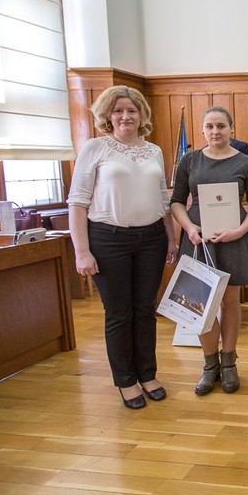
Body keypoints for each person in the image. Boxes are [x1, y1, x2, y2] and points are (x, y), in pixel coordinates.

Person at [67, 86, 177, 409]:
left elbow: (163, 200)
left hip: (152, 240)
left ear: (141, 114)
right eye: (118, 111)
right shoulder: (95, 148)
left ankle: (148, 374)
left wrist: (171, 239)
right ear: (108, 115)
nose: (126, 116)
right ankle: (126, 381)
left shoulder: (153, 150)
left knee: (145, 310)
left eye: (132, 110)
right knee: (119, 312)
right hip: (107, 241)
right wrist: (81, 251)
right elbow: (77, 202)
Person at [170, 106, 248, 395]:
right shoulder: (190, 160)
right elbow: (176, 202)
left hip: (233, 239)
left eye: (221, 126)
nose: (215, 132)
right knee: (202, 303)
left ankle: (229, 363)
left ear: (231, 129)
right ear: (202, 131)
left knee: (230, 301)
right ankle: (209, 365)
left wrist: (238, 231)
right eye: (209, 126)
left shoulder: (246, 163)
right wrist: (188, 227)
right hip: (199, 239)